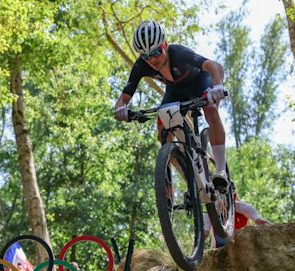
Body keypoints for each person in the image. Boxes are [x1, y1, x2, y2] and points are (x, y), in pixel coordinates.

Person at [114, 21, 229, 190]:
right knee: (163, 131)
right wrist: (120, 109)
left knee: (210, 111)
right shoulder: (142, 65)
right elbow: (123, 97)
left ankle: (221, 171)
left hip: (201, 82)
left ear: (165, 45)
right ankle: (172, 185)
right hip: (176, 91)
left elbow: (214, 66)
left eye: (155, 52)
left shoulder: (178, 53)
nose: (151, 59)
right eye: (146, 55)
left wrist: (218, 86)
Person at [204, 191, 271, 247]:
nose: (223, 203)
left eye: (225, 199)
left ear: (234, 197)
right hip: (221, 246)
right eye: (219, 199)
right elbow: (205, 233)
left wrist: (277, 230)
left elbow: (260, 221)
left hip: (243, 244)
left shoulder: (243, 207)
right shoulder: (210, 212)